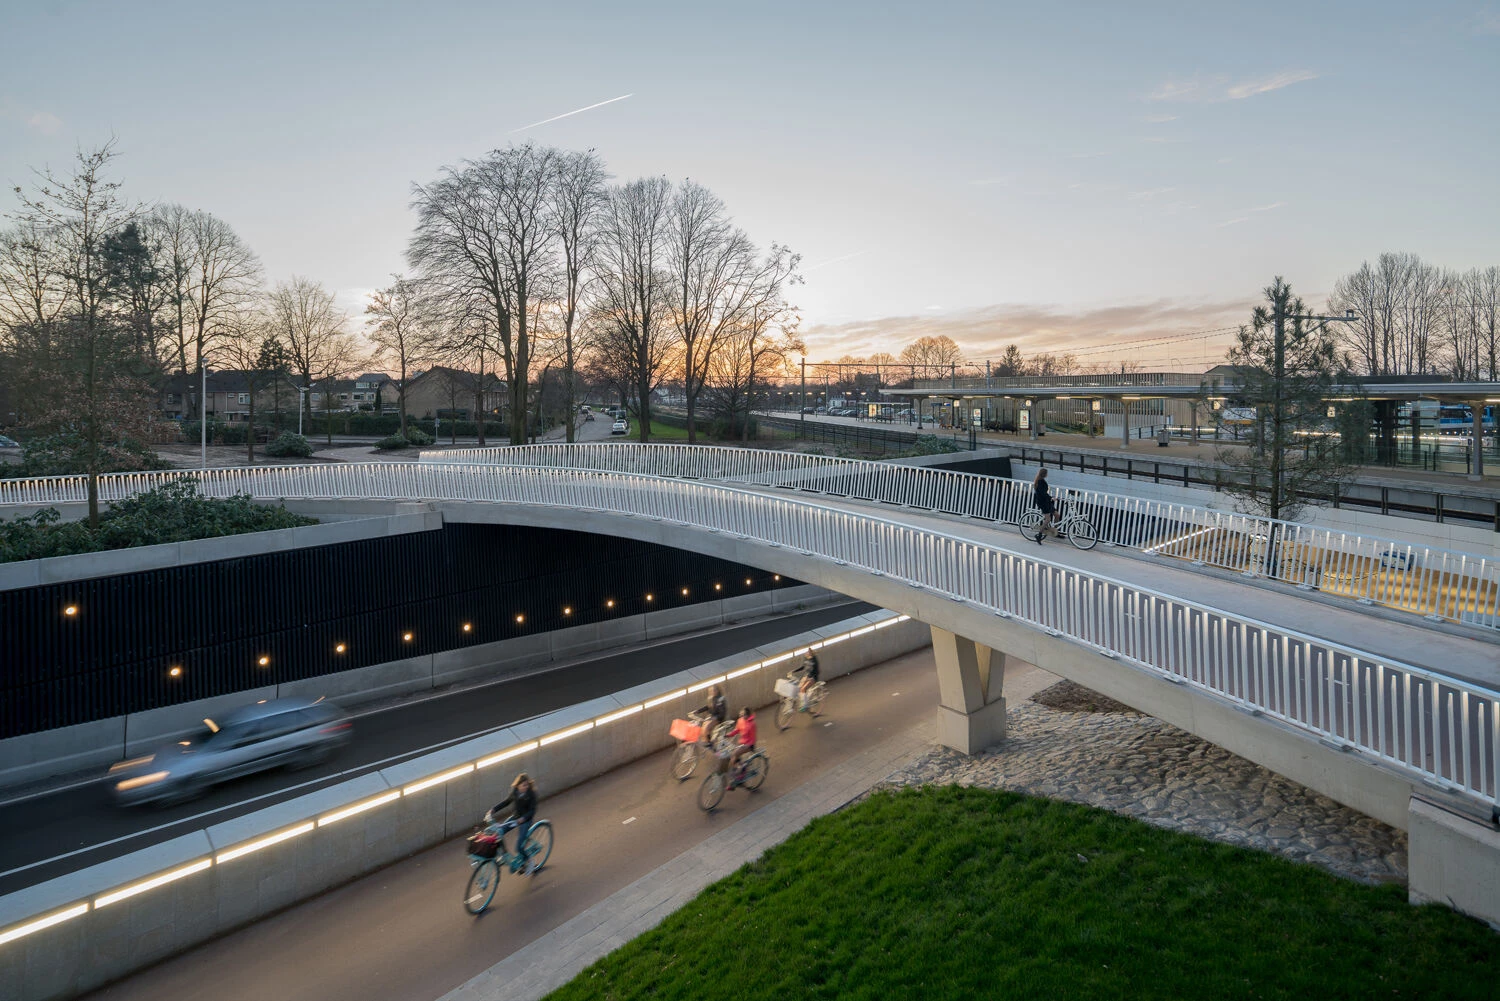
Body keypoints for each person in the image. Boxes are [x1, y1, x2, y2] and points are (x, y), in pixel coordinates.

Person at [485, 773, 538, 872]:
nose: (526, 787)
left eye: (527, 785)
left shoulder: (531, 794)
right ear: (518, 785)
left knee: (519, 847)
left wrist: (523, 819)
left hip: (525, 820)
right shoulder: (515, 792)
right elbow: (506, 802)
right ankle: (504, 854)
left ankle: (530, 862)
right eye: (523, 785)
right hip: (516, 817)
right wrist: (493, 810)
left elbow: (532, 810)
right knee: (499, 832)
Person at [726, 706, 756, 776]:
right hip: (742, 743)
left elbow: (752, 738)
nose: (742, 716)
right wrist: (729, 734)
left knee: (735, 754)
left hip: (749, 744)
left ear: (748, 715)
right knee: (731, 753)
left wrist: (746, 746)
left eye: (744, 715)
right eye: (742, 715)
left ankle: (738, 770)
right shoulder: (740, 721)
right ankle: (740, 768)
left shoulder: (752, 724)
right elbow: (737, 730)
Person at [1032, 468, 1058, 543]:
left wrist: (1050, 498)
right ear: (1044, 474)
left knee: (1057, 515)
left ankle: (1055, 531)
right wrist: (1051, 498)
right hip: (1043, 502)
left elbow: (1044, 493)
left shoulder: (1041, 480)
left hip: (1047, 501)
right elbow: (1043, 494)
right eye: (1047, 473)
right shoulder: (1040, 482)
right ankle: (1039, 535)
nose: (1047, 474)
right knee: (1048, 519)